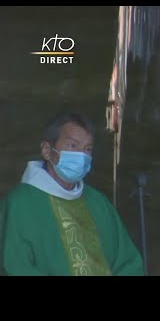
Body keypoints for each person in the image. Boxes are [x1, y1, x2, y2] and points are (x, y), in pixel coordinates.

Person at [0, 112, 145, 276]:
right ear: (47, 150)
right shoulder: (20, 204)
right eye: (73, 146)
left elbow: (128, 262)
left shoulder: (98, 202)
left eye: (87, 149)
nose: (81, 156)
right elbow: (14, 265)